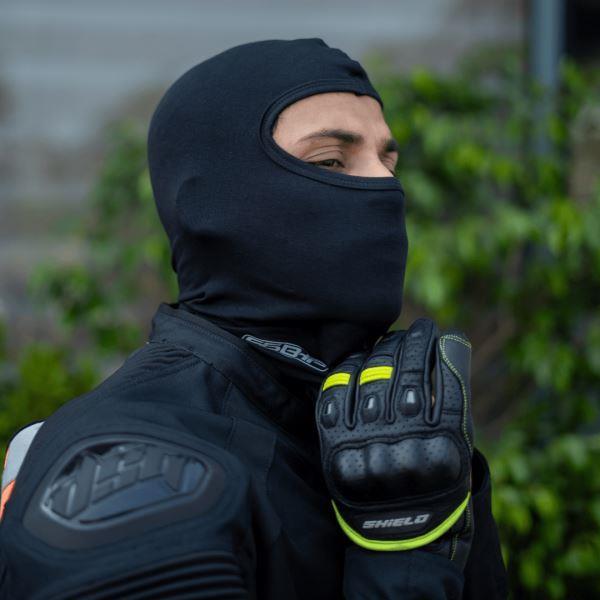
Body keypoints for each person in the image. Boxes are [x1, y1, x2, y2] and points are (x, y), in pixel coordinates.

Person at [0, 38, 508, 598]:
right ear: (214, 204)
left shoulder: (381, 427)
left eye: (388, 160)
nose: (386, 187)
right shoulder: (128, 474)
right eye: (331, 161)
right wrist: (403, 565)